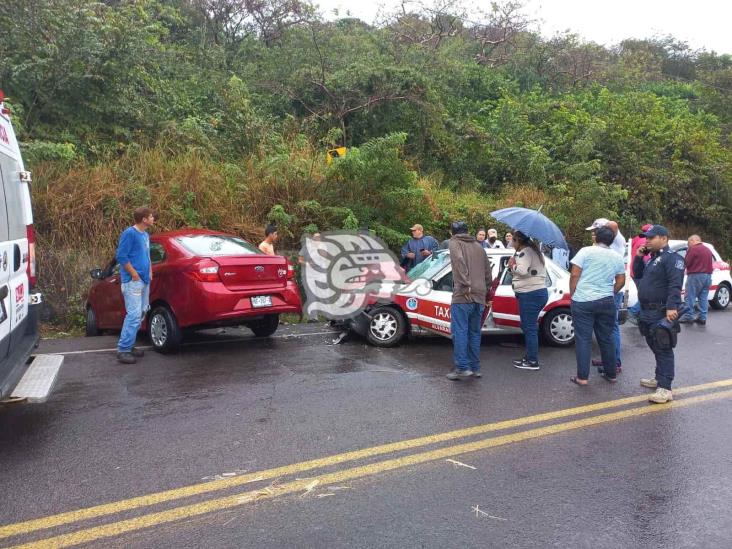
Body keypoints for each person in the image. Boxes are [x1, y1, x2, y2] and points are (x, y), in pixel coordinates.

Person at [633, 225, 685, 404]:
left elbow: (675, 284)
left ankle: (665, 388)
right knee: (654, 345)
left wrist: (672, 307)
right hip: (647, 310)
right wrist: (639, 258)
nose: (646, 240)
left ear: (664, 238)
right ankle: (659, 378)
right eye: (646, 237)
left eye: (651, 237)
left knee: (663, 347)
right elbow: (637, 274)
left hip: (661, 311)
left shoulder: (672, 259)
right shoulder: (653, 258)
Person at [568, 227, 626, 386]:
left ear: (596, 238)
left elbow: (574, 274)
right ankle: (611, 374)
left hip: (583, 300)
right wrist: (611, 291)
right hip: (606, 301)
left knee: (583, 339)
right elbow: (621, 280)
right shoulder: (616, 256)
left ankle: (582, 377)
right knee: (606, 338)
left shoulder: (585, 252)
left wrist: (573, 294)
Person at [447, 221, 492, 380]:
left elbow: (459, 263)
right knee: (474, 332)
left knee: (459, 331)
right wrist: (486, 292)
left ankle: (462, 367)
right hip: (480, 295)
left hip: (463, 294)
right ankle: (475, 367)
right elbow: (488, 273)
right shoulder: (480, 247)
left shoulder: (454, 243)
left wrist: (465, 286)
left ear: (453, 232)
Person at [586, 218, 626, 374]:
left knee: (611, 328)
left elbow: (614, 223)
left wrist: (603, 227)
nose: (594, 235)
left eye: (595, 231)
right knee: (604, 329)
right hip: (605, 290)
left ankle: (615, 362)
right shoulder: (605, 244)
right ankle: (607, 358)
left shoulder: (615, 238)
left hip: (612, 290)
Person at [116, 207, 155, 365]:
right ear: (144, 219)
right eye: (151, 217)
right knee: (133, 315)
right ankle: (123, 350)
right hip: (133, 281)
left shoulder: (145, 235)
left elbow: (147, 255)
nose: (153, 219)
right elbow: (121, 256)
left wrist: (150, 271)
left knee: (141, 313)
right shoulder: (129, 233)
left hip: (144, 279)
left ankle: (129, 345)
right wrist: (133, 273)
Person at [508, 231, 548, 370]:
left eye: (513, 240)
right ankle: (529, 356)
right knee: (529, 326)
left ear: (517, 240)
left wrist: (512, 265)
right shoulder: (534, 251)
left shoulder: (525, 252)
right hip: (537, 293)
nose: (512, 244)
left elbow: (523, 271)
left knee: (529, 328)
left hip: (530, 294)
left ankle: (532, 361)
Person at [679, 234, 714, 325]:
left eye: (688, 242)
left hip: (695, 275)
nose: (688, 245)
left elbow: (686, 262)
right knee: (703, 298)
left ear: (693, 240)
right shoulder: (708, 250)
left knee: (690, 296)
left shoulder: (693, 249)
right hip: (708, 276)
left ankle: (688, 316)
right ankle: (702, 318)